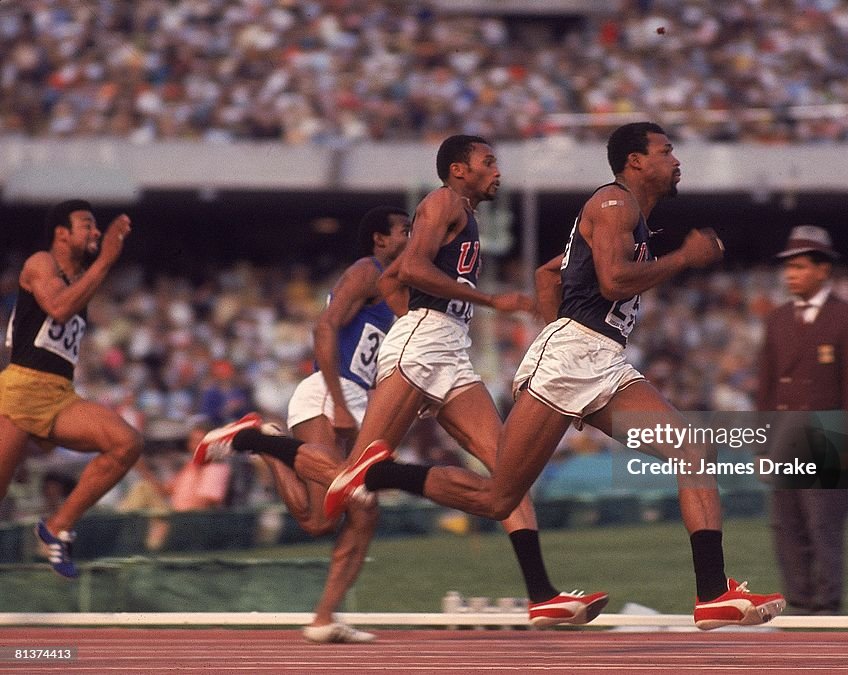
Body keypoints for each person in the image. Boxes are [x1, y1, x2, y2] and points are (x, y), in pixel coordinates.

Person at [325, 122, 786, 630]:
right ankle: (377, 473)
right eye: (666, 150)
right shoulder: (615, 205)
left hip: (598, 361)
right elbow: (611, 282)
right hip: (571, 358)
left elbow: (550, 273)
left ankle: (713, 593)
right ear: (636, 162)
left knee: (691, 450)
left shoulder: (632, 220)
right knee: (498, 497)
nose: (677, 160)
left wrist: (561, 338)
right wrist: (681, 260)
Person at [198, 136, 605, 629]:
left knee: (509, 474)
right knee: (352, 481)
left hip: (450, 348)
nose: (499, 170)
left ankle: (542, 593)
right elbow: (409, 268)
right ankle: (250, 439)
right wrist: (488, 301)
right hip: (425, 340)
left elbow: (394, 279)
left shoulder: (466, 214)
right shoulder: (443, 201)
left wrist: (410, 309)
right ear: (459, 170)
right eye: (488, 162)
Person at [195, 206, 409, 643]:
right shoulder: (366, 271)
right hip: (326, 394)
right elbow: (324, 330)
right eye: (405, 229)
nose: (413, 235)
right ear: (379, 240)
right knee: (362, 502)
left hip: (356, 398)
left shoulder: (396, 288)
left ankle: (323, 618)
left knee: (324, 522)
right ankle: (255, 438)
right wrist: (340, 399)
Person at [0, 199, 141, 578]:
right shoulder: (40, 263)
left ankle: (55, 527)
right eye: (87, 224)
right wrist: (106, 260)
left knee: (126, 442)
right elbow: (58, 309)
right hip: (18, 393)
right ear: (61, 232)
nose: (96, 232)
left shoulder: (80, 278)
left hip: (59, 394)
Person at [756, 225, 848, 615]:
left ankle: (827, 604)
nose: (791, 274)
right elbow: (767, 387)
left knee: (823, 525)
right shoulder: (775, 320)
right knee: (786, 527)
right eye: (788, 267)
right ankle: (800, 602)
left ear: (823, 270)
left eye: (801, 266)